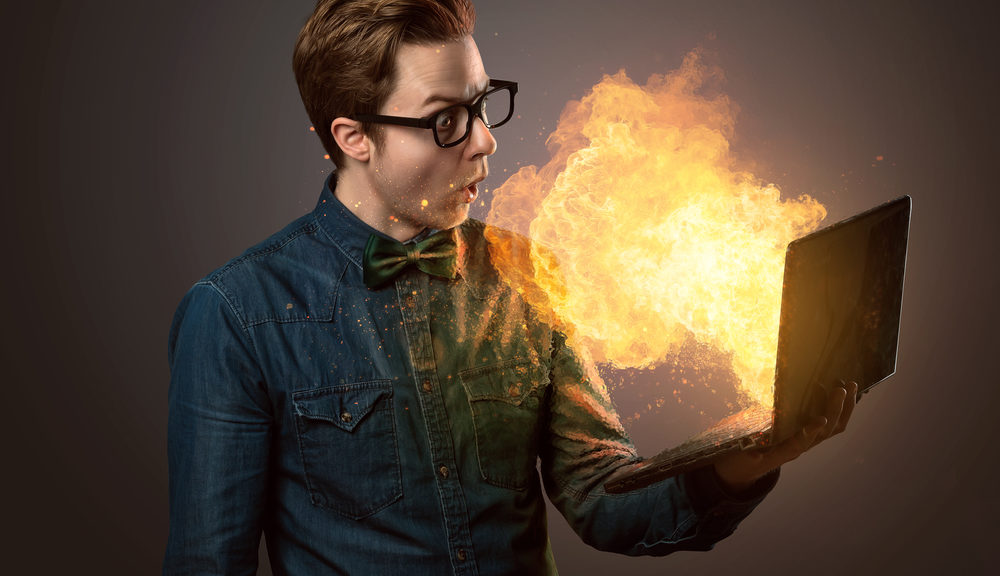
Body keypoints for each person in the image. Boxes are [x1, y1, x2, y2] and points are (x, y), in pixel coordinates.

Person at [163, 1, 856, 574]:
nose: (485, 142)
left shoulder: (529, 277)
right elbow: (208, 564)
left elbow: (603, 500)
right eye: (445, 120)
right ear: (353, 137)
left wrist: (750, 459)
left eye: (483, 103)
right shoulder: (234, 315)